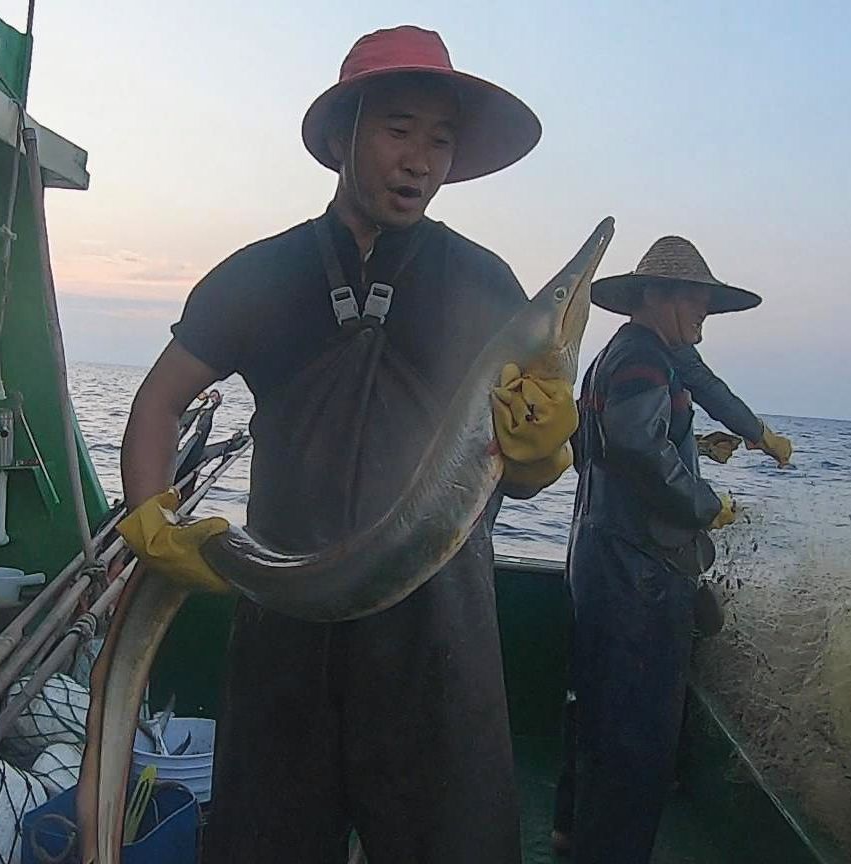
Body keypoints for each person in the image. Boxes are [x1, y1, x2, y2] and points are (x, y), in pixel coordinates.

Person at [115, 25, 573, 864]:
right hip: (286, 617)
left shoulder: (484, 284)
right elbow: (156, 405)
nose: (421, 161)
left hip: (439, 631)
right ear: (341, 137)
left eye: (441, 141)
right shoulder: (258, 274)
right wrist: (153, 524)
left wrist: (542, 452)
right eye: (399, 130)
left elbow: (525, 473)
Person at [560, 236, 769, 863]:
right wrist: (710, 505)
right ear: (655, 297)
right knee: (637, 740)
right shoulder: (643, 359)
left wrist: (730, 438)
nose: (705, 308)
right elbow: (634, 446)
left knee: (597, 719)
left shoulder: (636, 354)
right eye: (696, 296)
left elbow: (631, 437)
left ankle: (574, 839)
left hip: (604, 557)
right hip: (638, 576)